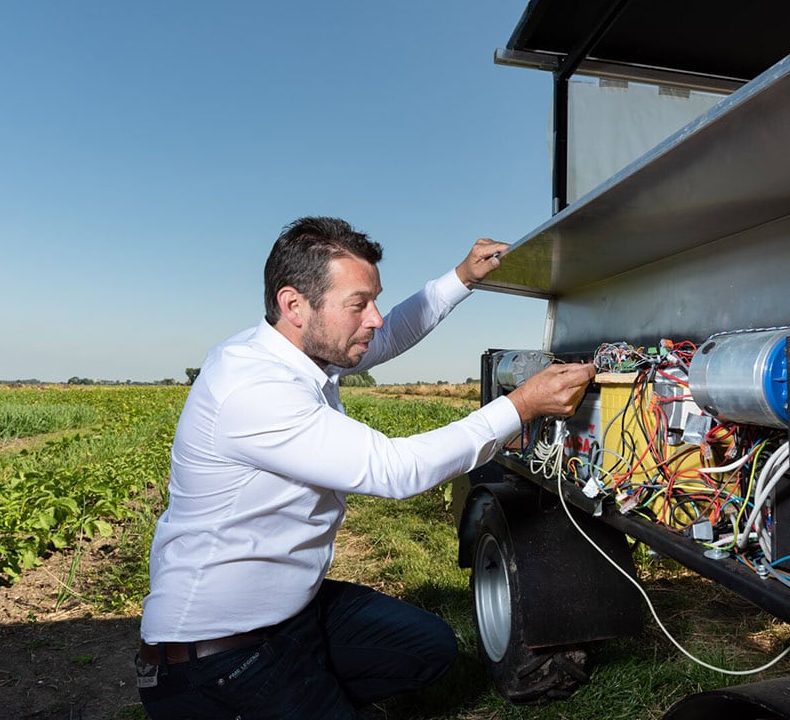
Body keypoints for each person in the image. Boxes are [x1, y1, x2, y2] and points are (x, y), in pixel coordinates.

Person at [136, 216, 595, 719]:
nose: (374, 318)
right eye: (359, 304)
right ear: (294, 305)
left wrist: (462, 277)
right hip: (220, 659)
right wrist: (521, 406)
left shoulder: (301, 350)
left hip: (293, 616)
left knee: (430, 648)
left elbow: (391, 332)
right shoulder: (253, 389)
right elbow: (396, 469)